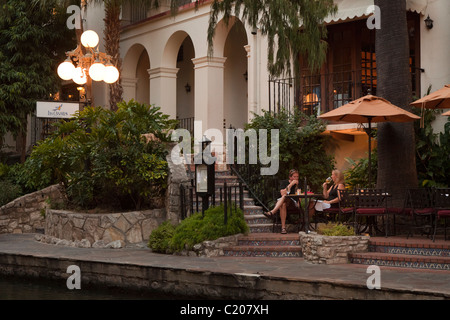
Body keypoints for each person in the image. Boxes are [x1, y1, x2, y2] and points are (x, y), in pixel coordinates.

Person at [266, 169, 300, 234]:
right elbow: (282, 193)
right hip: (284, 202)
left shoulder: (298, 184)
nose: (296, 178)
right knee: (283, 202)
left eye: (297, 177)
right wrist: (291, 184)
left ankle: (272, 211)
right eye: (294, 177)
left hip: (293, 203)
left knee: (284, 197)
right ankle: (283, 229)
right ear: (290, 177)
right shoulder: (284, 182)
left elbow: (299, 194)